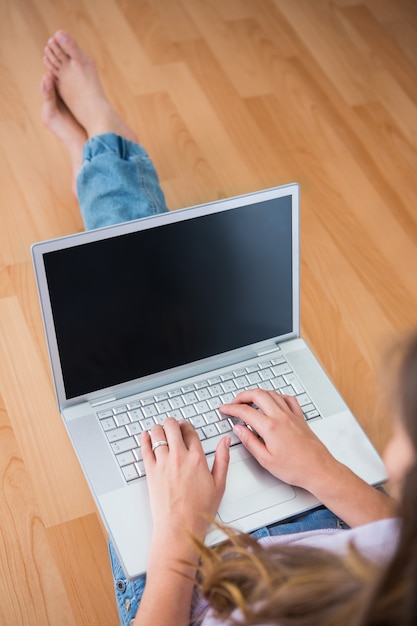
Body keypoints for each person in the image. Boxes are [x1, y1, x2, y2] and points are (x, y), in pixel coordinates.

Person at [40, 31, 414, 626]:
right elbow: (404, 545)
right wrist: (321, 468)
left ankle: (100, 149)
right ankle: (97, 154)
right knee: (183, 301)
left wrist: (179, 537)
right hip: (329, 513)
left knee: (144, 303)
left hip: (191, 570)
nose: (392, 452)